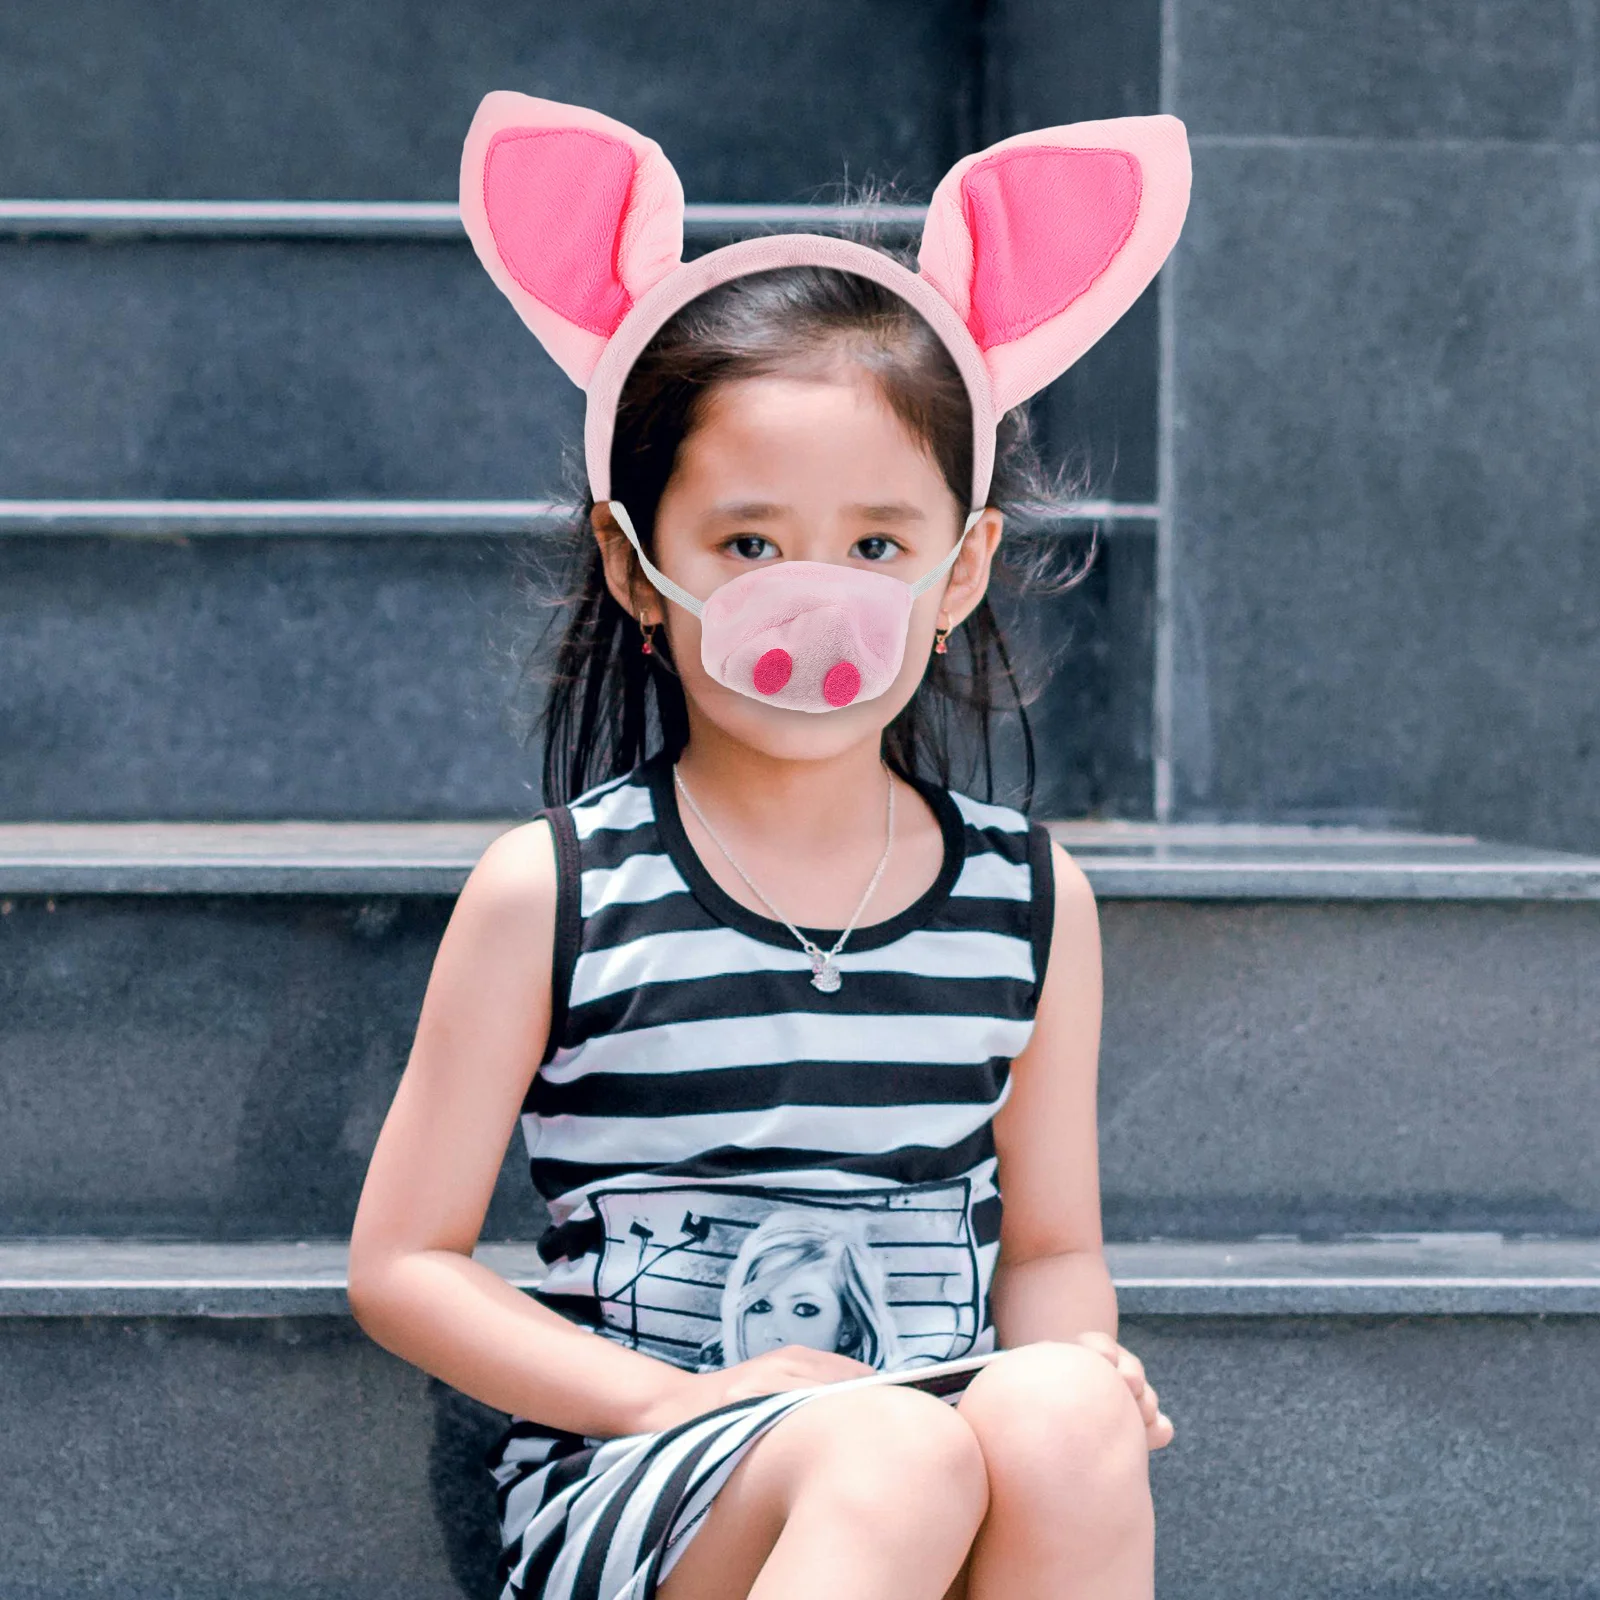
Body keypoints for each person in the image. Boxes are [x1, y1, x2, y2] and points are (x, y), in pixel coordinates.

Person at [348, 91, 1190, 1600]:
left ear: (961, 568)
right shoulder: (559, 889)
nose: (821, 601)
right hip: (649, 1472)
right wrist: (679, 1401)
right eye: (749, 544)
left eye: (876, 545)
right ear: (634, 562)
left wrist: (1079, 1363)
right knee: (891, 1449)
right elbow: (402, 1266)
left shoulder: (1026, 897)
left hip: (928, 1432)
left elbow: (1053, 1241)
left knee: (1061, 1411)